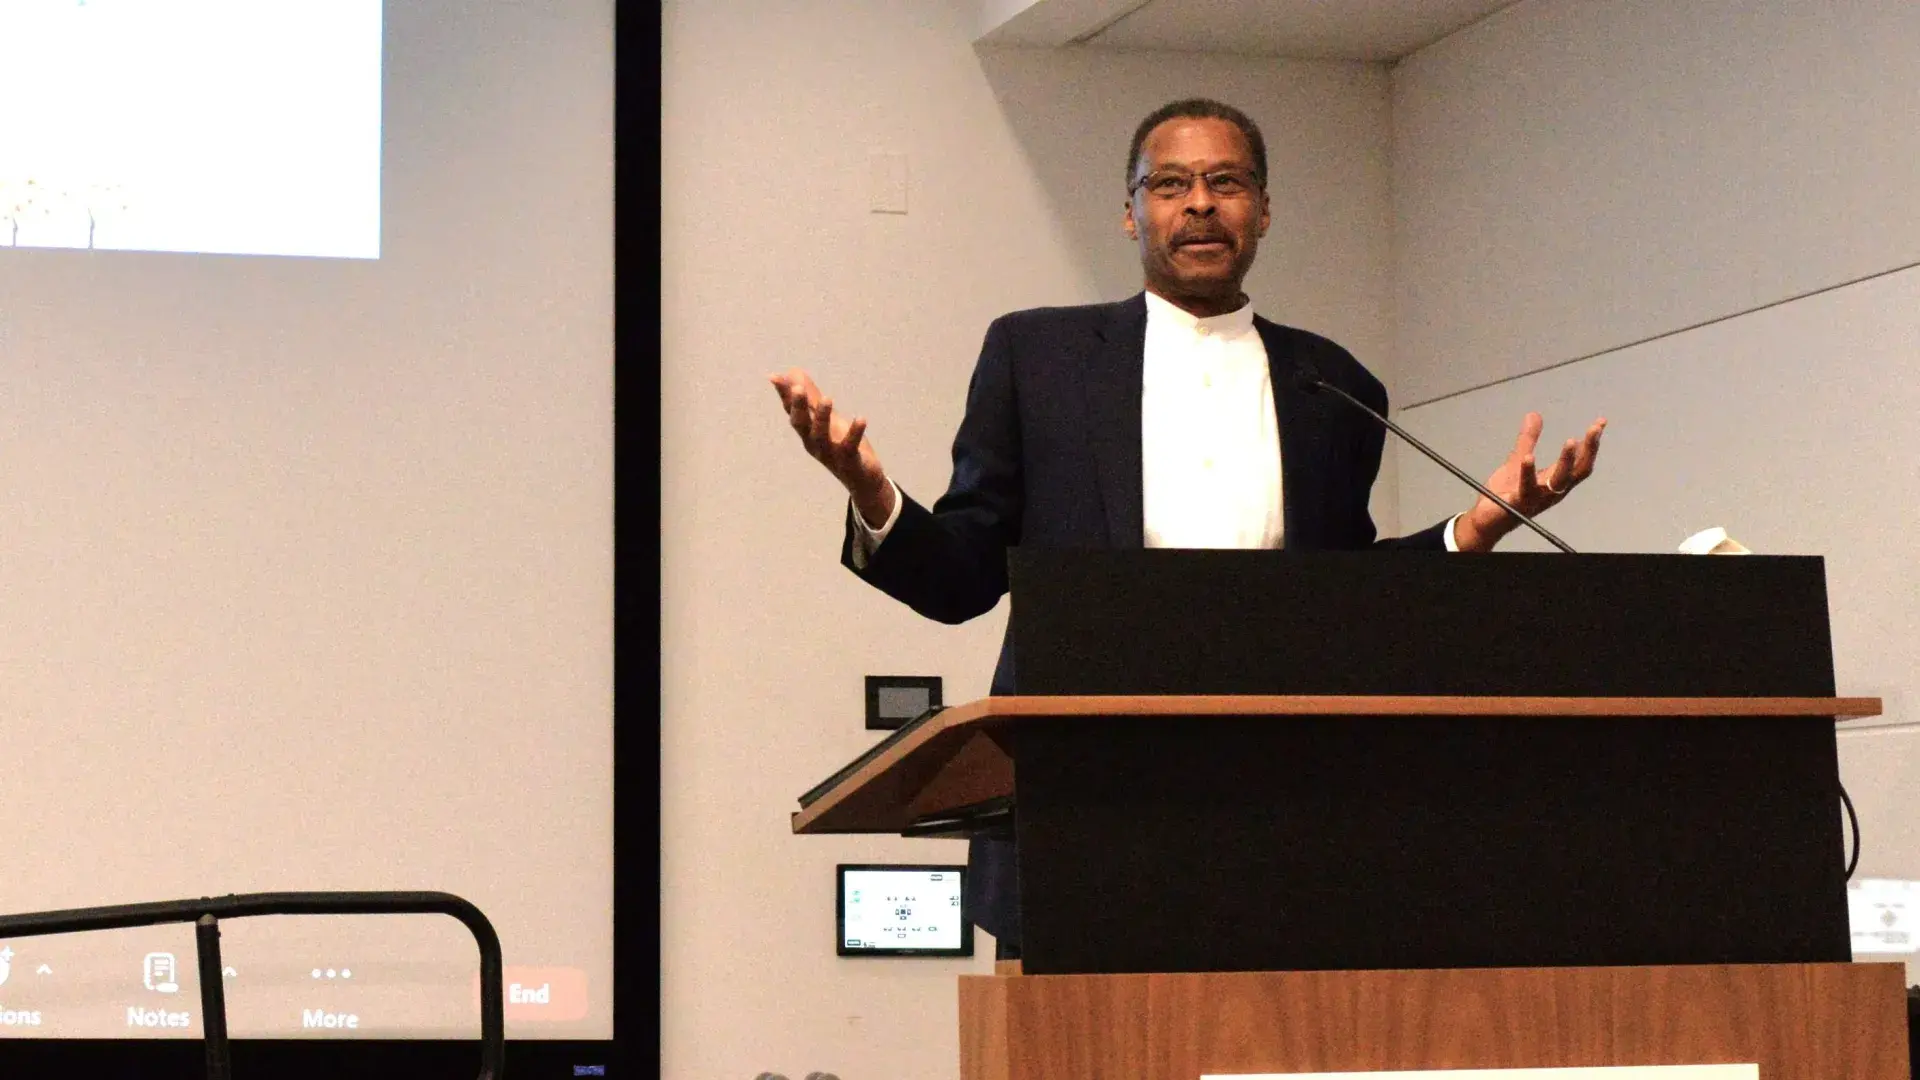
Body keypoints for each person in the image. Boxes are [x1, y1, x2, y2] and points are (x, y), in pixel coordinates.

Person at [770, 98, 1605, 958]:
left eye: (1226, 182)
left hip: (1283, 816)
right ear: (1131, 210)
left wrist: (1474, 528)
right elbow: (962, 579)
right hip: (1082, 808)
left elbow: (1349, 598)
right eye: (1170, 183)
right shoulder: (1038, 360)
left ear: (1264, 211)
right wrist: (874, 493)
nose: (1199, 203)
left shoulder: (1334, 385)